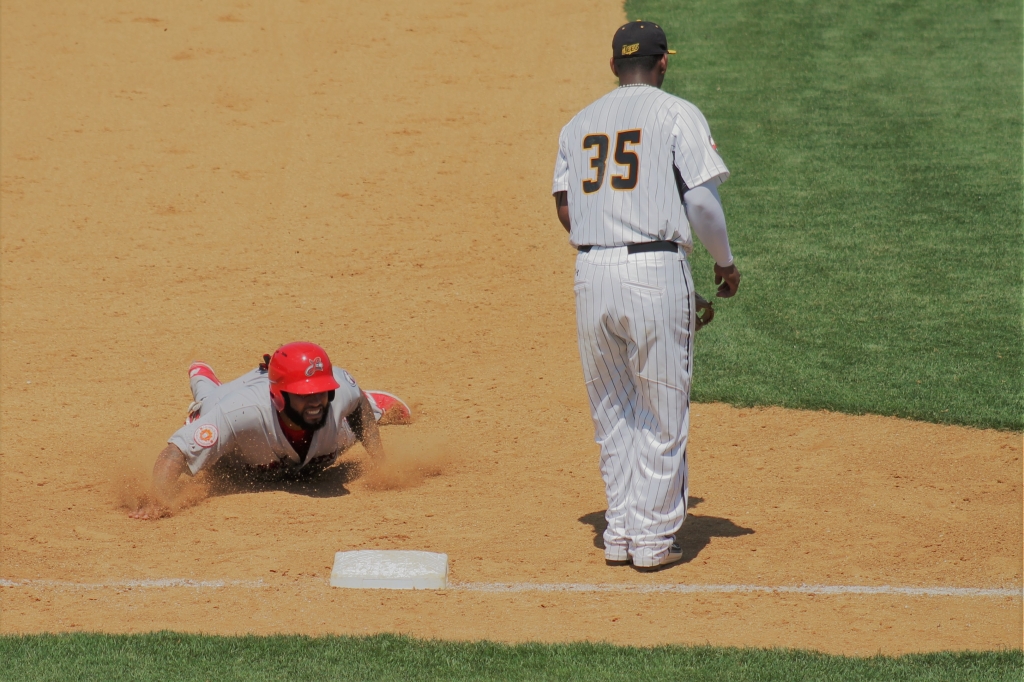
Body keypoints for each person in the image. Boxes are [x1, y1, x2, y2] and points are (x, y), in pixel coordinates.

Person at [552, 21, 741, 570]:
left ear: (615, 67)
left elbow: (565, 204)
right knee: (662, 407)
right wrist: (724, 266)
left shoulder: (578, 123)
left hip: (591, 274)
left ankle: (620, 534)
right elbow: (702, 205)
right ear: (662, 63)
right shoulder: (676, 112)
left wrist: (602, 227)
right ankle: (655, 541)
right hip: (655, 269)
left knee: (613, 411)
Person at [129, 341, 412, 519]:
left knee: (341, 425)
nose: (315, 400)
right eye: (304, 394)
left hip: (305, 433)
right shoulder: (238, 414)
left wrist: (381, 464)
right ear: (278, 397)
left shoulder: (339, 394)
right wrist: (158, 498)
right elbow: (174, 452)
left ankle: (380, 404)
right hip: (227, 409)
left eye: (321, 392)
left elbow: (357, 401)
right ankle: (203, 379)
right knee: (209, 403)